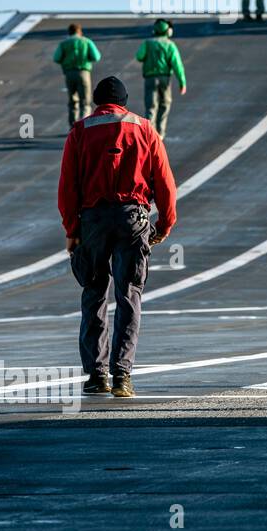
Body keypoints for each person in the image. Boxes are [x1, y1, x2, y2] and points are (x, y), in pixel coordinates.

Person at [58, 75, 177, 399]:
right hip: (133, 219)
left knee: (94, 294)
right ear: (124, 101)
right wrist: (165, 224)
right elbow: (164, 181)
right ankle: (122, 375)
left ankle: (97, 376)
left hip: (92, 221)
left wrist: (72, 230)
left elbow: (67, 185)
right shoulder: (145, 129)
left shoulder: (80, 131)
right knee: (129, 295)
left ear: (96, 100)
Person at [134, 19, 186, 141]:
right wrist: (182, 82)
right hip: (165, 78)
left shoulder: (147, 43)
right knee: (165, 104)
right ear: (168, 31)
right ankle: (160, 134)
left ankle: (149, 134)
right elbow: (177, 64)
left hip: (150, 78)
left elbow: (139, 56)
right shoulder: (170, 45)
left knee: (151, 106)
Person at [53, 23, 102, 126]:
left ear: (69, 32)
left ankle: (73, 125)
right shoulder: (86, 41)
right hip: (83, 72)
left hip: (69, 73)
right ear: (80, 31)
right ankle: (85, 125)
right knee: (85, 102)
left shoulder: (64, 43)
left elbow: (56, 58)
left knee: (72, 100)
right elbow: (96, 57)